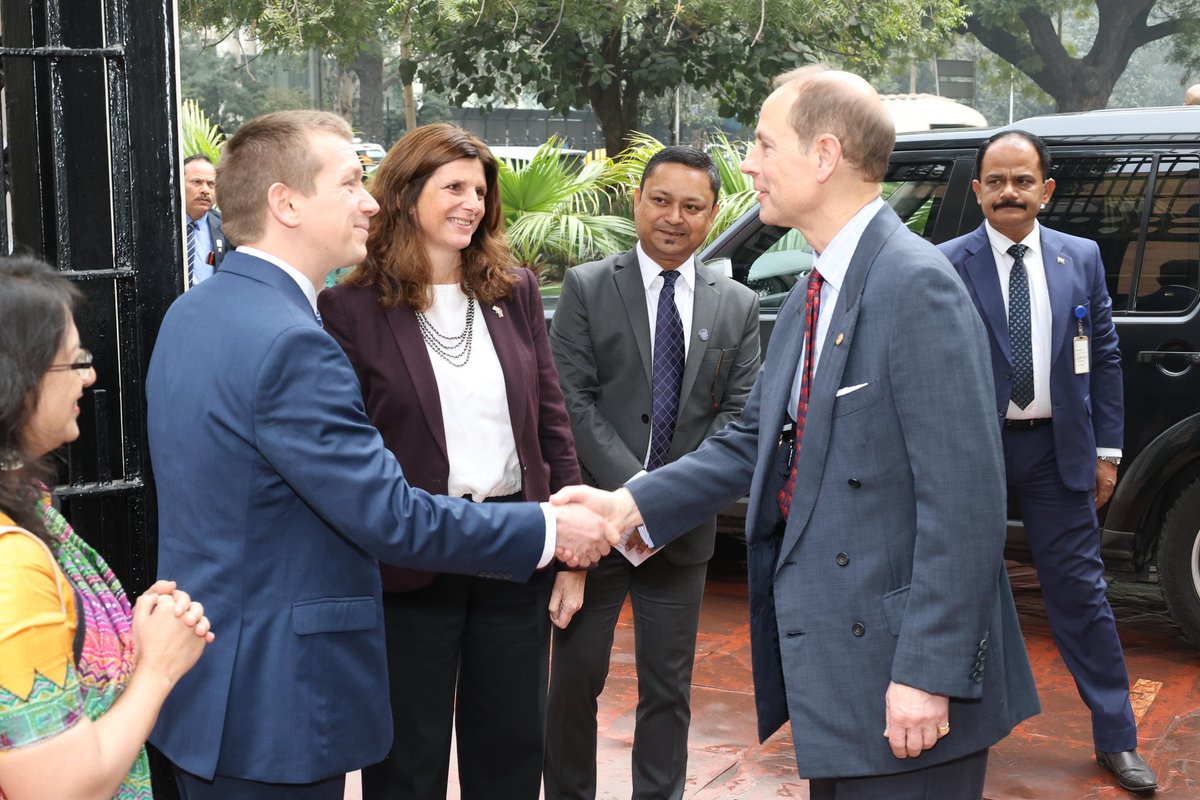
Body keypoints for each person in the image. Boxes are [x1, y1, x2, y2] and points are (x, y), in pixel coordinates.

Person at [553, 66, 1041, 799]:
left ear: (823, 155)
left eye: (762, 143)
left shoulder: (915, 286)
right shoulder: (819, 286)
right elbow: (753, 441)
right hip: (843, 679)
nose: (747, 164)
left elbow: (966, 503)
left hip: (902, 684)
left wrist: (927, 674)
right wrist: (627, 507)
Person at [145, 110, 617, 799]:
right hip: (276, 702)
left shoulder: (198, 311)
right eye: (350, 183)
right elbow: (391, 516)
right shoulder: (296, 339)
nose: (369, 200)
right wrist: (551, 528)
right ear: (287, 203)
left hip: (208, 684)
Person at [317, 123, 579, 799]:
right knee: (408, 757)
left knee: (513, 750)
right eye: (453, 187)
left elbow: (551, 420)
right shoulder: (348, 308)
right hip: (411, 563)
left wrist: (573, 547)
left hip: (514, 549)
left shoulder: (513, 290)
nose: (472, 201)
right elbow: (351, 449)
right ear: (405, 195)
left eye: (479, 189)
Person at [937, 130, 1156, 795]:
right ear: (977, 191)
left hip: (1058, 451)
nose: (1010, 193)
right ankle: (941, 731)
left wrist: (1107, 452)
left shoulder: (1080, 257)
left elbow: (1106, 358)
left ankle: (1117, 738)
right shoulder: (943, 262)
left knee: (1081, 598)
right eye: (997, 181)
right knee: (955, 592)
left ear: (1045, 190)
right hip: (973, 450)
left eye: (1023, 181)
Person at [544, 146, 760, 800]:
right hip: (595, 531)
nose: (674, 217)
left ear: (713, 213)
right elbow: (570, 401)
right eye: (661, 200)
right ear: (637, 201)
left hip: (682, 533)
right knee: (575, 681)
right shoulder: (586, 287)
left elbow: (740, 417)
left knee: (668, 690)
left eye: (692, 206)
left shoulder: (737, 304)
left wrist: (666, 504)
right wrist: (633, 500)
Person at [0, 255, 213, 800]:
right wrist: (158, 668)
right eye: (73, 362)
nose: (90, 376)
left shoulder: (30, 506)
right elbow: (57, 789)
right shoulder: (12, 563)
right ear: (15, 382)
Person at [182, 154, 225, 287]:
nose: (205, 190)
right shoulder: (161, 223)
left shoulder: (225, 228)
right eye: (197, 182)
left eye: (211, 184)